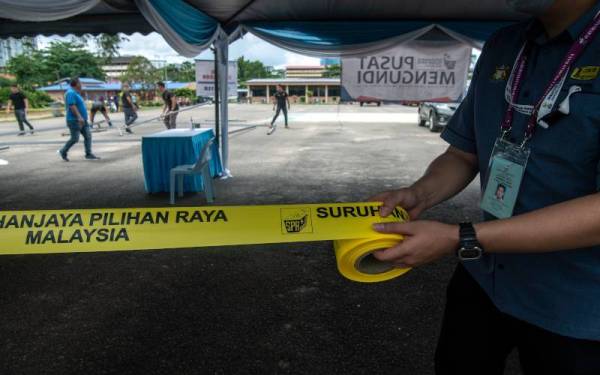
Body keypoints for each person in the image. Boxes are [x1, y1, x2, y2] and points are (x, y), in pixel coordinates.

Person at [370, 0, 600, 373]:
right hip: (488, 276)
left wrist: (460, 237)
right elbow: (464, 154)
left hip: (578, 304)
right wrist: (419, 194)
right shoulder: (505, 45)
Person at [58, 77, 99, 161]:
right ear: (76, 84)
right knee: (75, 138)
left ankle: (88, 154)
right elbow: (72, 106)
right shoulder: (70, 93)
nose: (82, 84)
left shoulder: (76, 93)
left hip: (83, 120)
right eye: (80, 83)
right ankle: (63, 151)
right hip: (74, 120)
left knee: (88, 136)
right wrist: (79, 117)